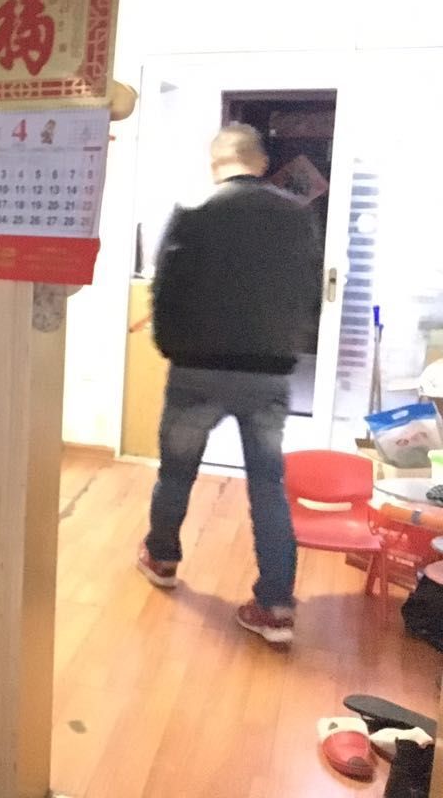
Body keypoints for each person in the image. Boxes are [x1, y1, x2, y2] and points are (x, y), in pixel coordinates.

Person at [136, 122, 323, 647]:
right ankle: (276, 606)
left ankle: (162, 558)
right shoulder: (298, 216)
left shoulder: (193, 211)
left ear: (216, 162)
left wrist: (170, 347)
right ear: (261, 163)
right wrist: (288, 345)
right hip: (267, 371)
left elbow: (164, 290)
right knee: (267, 484)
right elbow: (309, 293)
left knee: (176, 472)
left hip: (196, 368)